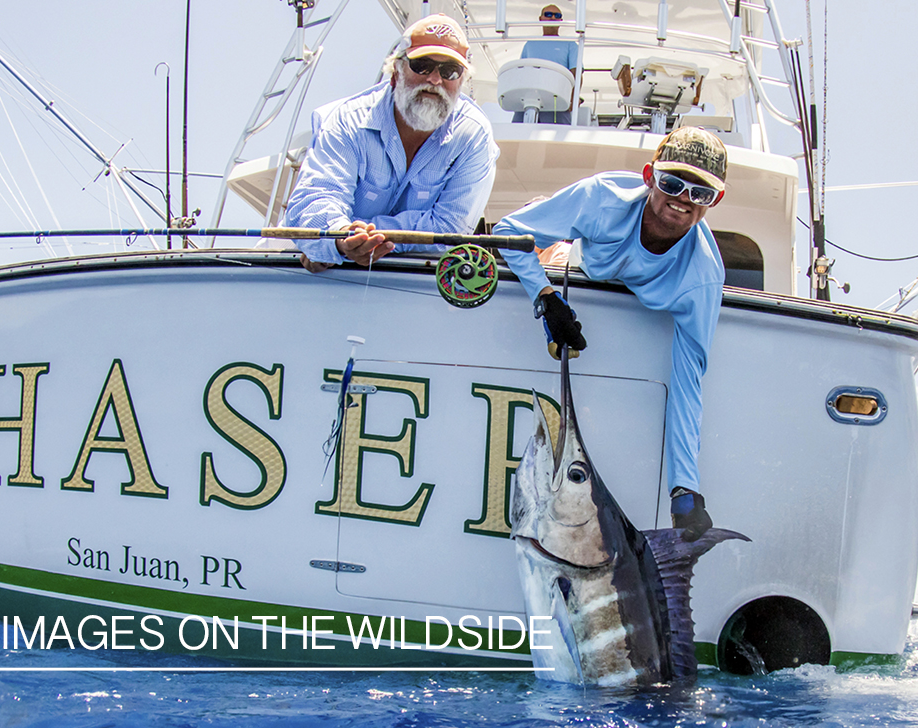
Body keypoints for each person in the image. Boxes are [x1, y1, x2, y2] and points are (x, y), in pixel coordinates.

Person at [495, 126, 728, 541]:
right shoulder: (602, 197)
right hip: (571, 260)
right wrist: (546, 298)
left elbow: (688, 381)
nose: (682, 201)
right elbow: (508, 232)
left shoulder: (703, 277)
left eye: (700, 193)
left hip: (606, 273)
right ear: (648, 176)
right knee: (540, 222)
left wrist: (684, 488)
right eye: (673, 183)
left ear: (716, 201)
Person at [282, 14, 499, 273]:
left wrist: (361, 238)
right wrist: (340, 236)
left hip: (404, 285)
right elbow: (315, 198)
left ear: (461, 82)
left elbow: (450, 227)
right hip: (329, 275)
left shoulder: (475, 135)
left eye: (449, 71)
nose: (435, 79)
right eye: (422, 65)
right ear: (395, 71)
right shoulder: (346, 119)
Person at [512, 5, 578, 125]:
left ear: (560, 21)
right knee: (517, 136)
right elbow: (521, 72)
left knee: (558, 141)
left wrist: (571, 101)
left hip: (557, 102)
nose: (552, 17)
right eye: (548, 14)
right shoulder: (529, 44)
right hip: (529, 101)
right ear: (541, 18)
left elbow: (576, 73)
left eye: (557, 16)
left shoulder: (570, 44)